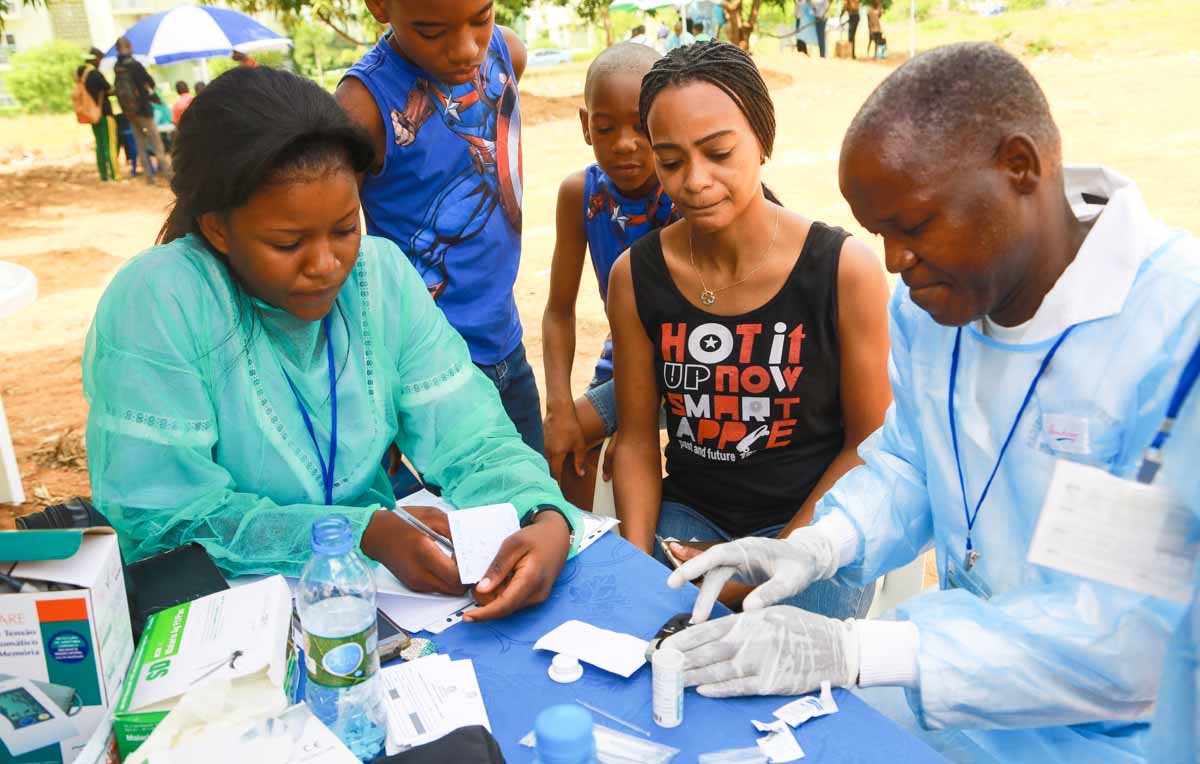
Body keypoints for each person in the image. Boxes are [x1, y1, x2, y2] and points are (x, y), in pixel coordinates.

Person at [664, 42, 1200, 763]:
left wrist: (855, 648)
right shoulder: (937, 304)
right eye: (879, 233)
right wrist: (820, 545)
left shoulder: (1173, 336)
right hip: (947, 682)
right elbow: (911, 462)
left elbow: (1125, 642)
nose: (892, 262)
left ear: (1019, 167)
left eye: (912, 227)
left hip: (1115, 733)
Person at [83, 66, 581, 623]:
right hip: (224, 622)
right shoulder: (161, 300)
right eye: (287, 242)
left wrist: (542, 513)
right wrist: (357, 533)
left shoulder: (381, 278)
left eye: (345, 229)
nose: (326, 266)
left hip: (376, 604)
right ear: (218, 230)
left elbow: (473, 439)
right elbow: (166, 518)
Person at [608, 41, 891, 620]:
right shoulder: (636, 276)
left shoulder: (841, 270)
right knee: (657, 645)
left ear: (762, 140)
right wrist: (636, 564)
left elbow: (866, 444)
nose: (695, 180)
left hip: (816, 528)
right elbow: (637, 439)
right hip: (691, 520)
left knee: (786, 668)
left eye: (718, 152)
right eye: (671, 160)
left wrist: (777, 557)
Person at [336, 1, 545, 455]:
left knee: (535, 500)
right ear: (379, 7)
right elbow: (337, 252)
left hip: (505, 342)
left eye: (481, 18)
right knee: (452, 519)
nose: (467, 49)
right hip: (425, 368)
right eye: (433, 32)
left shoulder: (507, 52)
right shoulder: (363, 107)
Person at [542, 42, 673, 509]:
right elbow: (559, 310)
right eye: (605, 127)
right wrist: (558, 405)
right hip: (624, 365)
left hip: (691, 369)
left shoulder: (686, 193)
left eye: (642, 126)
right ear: (584, 125)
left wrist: (632, 422)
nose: (624, 143)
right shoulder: (580, 196)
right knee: (564, 449)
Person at [113, 37, 170, 183]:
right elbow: (149, 83)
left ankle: (149, 177)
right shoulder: (135, 65)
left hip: (129, 112)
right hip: (144, 110)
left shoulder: (117, 67)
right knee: (157, 143)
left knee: (140, 144)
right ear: (129, 46)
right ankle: (167, 174)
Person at [79, 48, 119, 182]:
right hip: (104, 114)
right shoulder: (96, 74)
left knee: (100, 145)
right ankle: (114, 175)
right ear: (95, 58)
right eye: (100, 59)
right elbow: (109, 90)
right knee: (109, 144)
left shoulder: (82, 75)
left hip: (92, 115)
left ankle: (103, 175)